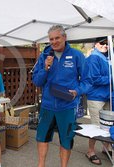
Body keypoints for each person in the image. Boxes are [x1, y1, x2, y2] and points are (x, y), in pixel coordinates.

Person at [32, 25, 91, 167]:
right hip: (47, 105)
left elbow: (87, 80)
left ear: (64, 37)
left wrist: (77, 91)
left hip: (67, 106)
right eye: (51, 39)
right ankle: (41, 165)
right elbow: (37, 81)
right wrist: (45, 68)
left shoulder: (77, 55)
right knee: (42, 137)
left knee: (66, 139)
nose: (54, 41)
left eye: (57, 38)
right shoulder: (44, 55)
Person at [85, 37, 110, 165]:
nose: (106, 45)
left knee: (108, 124)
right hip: (96, 97)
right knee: (95, 126)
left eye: (107, 42)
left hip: (108, 95)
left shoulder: (107, 56)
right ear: (95, 44)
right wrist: (111, 78)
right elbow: (94, 78)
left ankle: (106, 147)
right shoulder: (94, 57)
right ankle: (90, 151)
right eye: (102, 43)